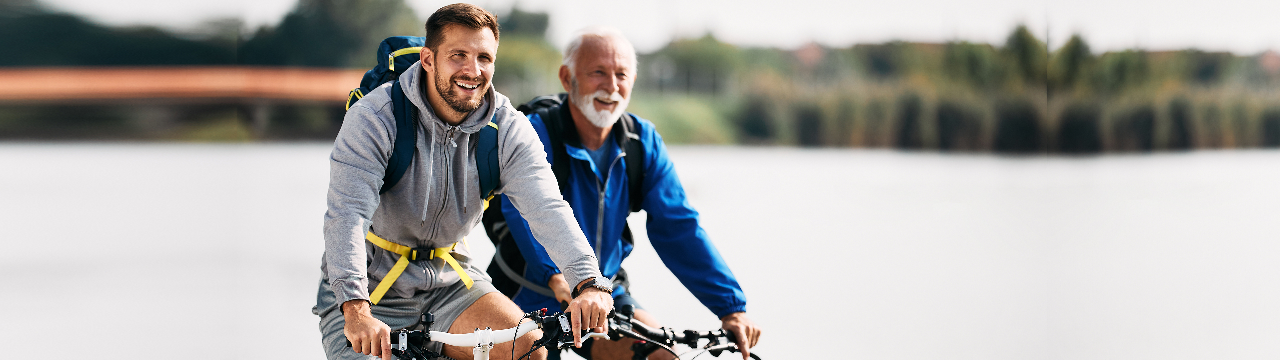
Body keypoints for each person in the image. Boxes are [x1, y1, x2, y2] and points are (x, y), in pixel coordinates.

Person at [314, 4, 613, 360]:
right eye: (459, 56)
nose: (473, 71)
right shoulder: (376, 118)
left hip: (450, 282)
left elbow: (547, 208)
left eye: (484, 58)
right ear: (428, 59)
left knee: (530, 349)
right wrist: (356, 310)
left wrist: (590, 283)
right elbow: (347, 216)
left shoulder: (507, 129)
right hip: (368, 289)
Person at [482, 27, 762, 360]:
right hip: (529, 290)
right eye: (598, 73)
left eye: (622, 75)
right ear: (567, 77)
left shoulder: (642, 143)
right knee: (535, 356)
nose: (612, 86)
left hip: (603, 293)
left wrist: (730, 307)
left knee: (663, 357)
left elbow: (679, 228)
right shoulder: (533, 132)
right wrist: (558, 278)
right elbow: (522, 212)